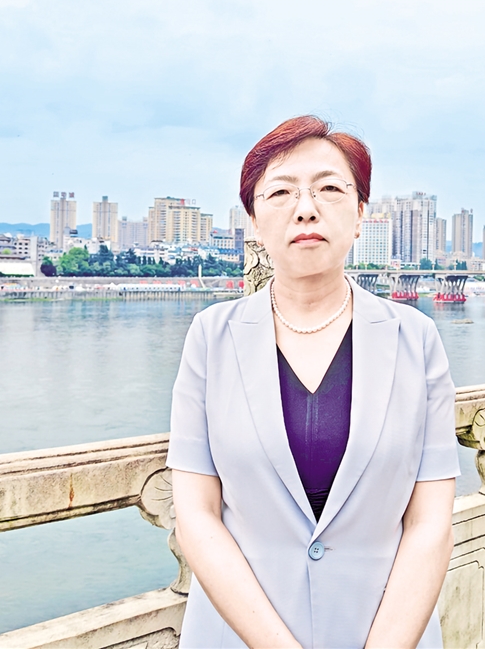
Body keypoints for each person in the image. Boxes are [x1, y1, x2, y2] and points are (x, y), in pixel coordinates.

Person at [167, 115, 460, 648]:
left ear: (360, 214)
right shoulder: (211, 337)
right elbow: (196, 516)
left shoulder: (415, 340)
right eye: (280, 192)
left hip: (385, 630)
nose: (306, 208)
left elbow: (430, 524)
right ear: (254, 221)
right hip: (238, 633)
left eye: (329, 188)